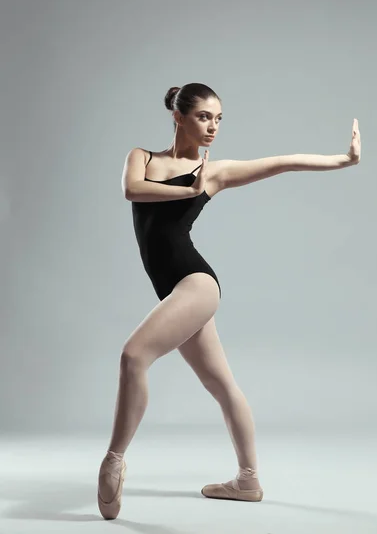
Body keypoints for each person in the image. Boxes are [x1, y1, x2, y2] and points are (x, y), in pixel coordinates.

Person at [97, 82, 361, 519]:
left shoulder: (213, 172)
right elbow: (132, 190)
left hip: (195, 284)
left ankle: (113, 461)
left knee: (133, 357)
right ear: (178, 116)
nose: (214, 126)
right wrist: (188, 191)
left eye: (219, 119)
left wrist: (343, 160)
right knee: (221, 385)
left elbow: (280, 163)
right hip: (177, 291)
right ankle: (248, 480)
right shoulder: (141, 158)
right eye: (204, 116)